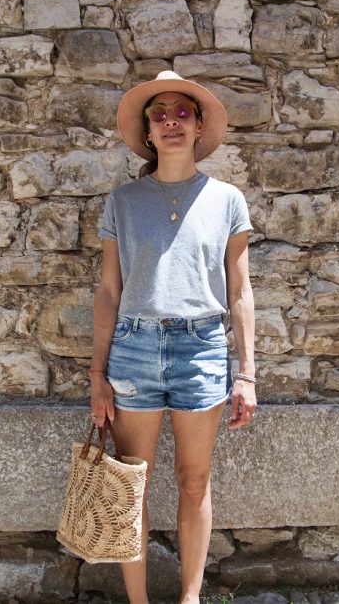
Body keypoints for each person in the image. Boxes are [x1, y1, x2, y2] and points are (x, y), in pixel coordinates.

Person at [88, 71, 258, 603]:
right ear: (148, 131)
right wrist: (97, 376)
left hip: (202, 348)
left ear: (199, 124)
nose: (170, 122)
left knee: (193, 481)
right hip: (133, 350)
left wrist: (247, 372)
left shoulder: (227, 199)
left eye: (181, 112)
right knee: (129, 489)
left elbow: (240, 290)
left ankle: (190, 599)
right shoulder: (122, 201)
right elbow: (109, 291)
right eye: (158, 114)